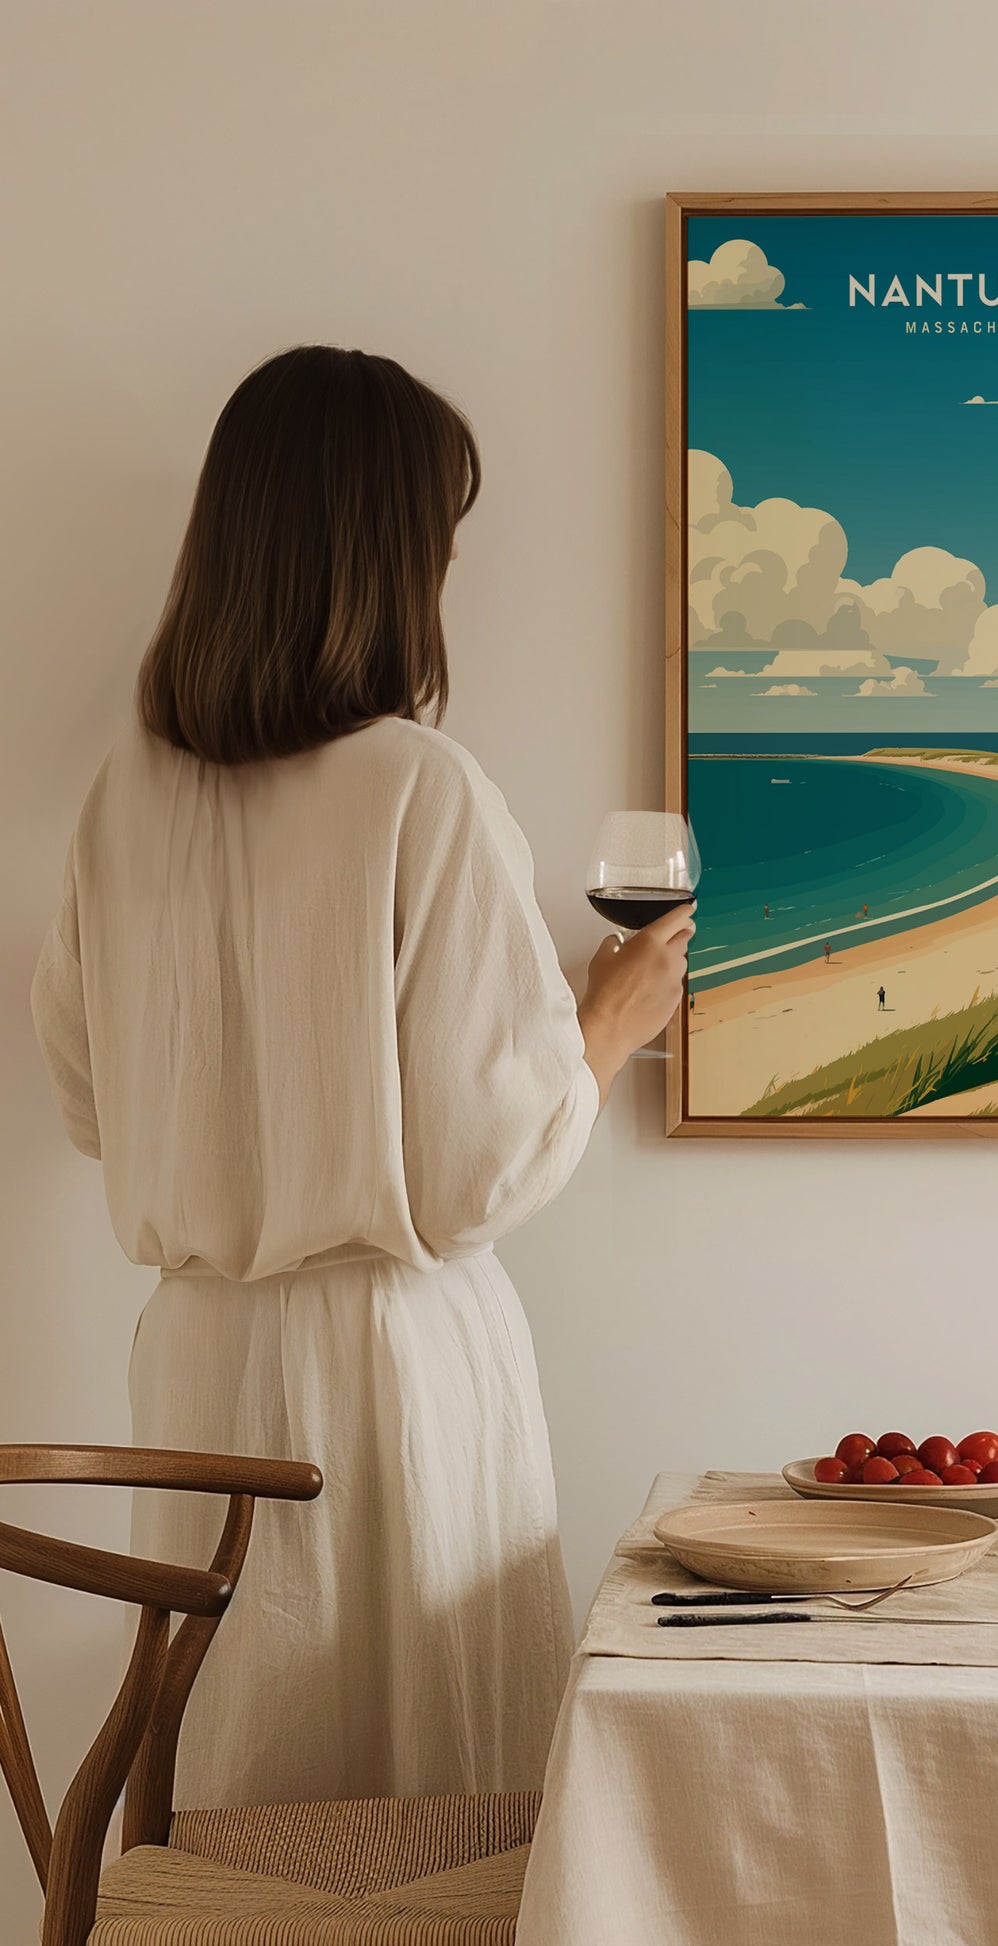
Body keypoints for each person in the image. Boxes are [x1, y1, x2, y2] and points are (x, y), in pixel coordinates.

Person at [30, 347, 691, 1809]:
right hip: (392, 1371)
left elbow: (87, 1099)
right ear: (387, 556)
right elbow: (475, 1172)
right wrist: (607, 1021)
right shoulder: (418, 786)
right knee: (425, 1808)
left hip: (196, 1361)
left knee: (241, 1791)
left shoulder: (123, 796)